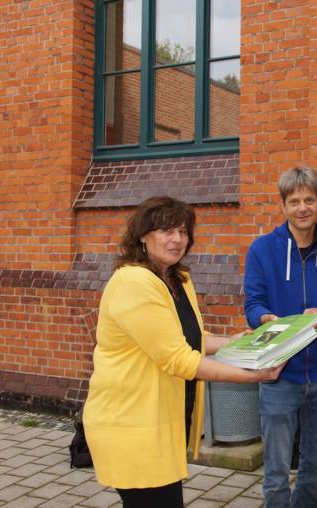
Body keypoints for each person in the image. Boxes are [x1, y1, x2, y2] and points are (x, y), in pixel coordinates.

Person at [83, 196, 283, 508]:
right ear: (142, 236)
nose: (177, 239)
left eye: (183, 231)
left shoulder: (177, 278)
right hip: (133, 425)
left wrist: (236, 342)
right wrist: (252, 375)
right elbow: (178, 358)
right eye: (166, 230)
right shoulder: (134, 283)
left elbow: (190, 338)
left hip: (161, 421)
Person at [244, 166, 317, 508]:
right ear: (283, 205)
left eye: (309, 200)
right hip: (278, 373)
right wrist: (262, 319)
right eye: (294, 200)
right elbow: (253, 301)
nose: (302, 208)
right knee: (277, 468)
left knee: (314, 465)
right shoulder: (263, 249)